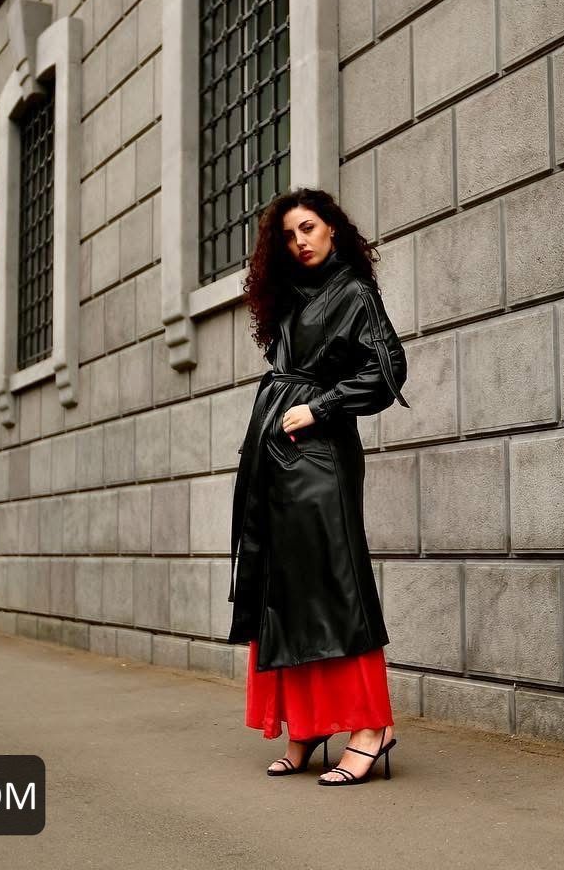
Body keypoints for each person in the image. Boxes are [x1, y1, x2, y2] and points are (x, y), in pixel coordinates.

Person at [227, 187, 410, 786]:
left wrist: (321, 407)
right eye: (288, 234)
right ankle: (306, 725)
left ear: (332, 228)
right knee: (284, 586)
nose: (300, 241)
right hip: (277, 456)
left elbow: (387, 368)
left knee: (334, 584)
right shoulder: (290, 298)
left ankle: (371, 728)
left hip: (321, 457)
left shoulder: (354, 292)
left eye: (308, 227)